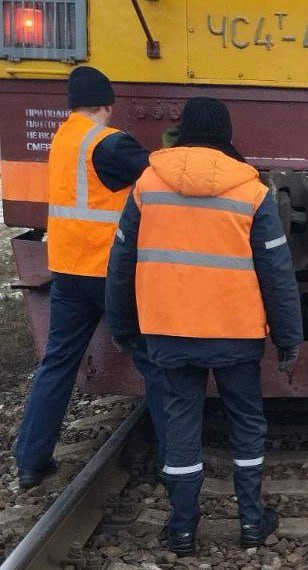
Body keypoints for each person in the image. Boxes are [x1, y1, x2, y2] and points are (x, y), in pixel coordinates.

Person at [106, 97, 303, 557]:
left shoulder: (148, 185)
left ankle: (181, 530)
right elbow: (277, 272)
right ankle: (253, 522)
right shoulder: (250, 191)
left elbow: (121, 262)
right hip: (235, 334)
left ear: (182, 132)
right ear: (227, 137)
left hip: (169, 333)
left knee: (179, 429)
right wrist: (289, 337)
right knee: (246, 424)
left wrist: (122, 325)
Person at [15, 66, 167, 489]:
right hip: (108, 274)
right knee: (154, 363)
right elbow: (159, 177)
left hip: (67, 271)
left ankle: (31, 462)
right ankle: (171, 458)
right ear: (107, 104)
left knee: (57, 364)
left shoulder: (63, 139)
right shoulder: (109, 143)